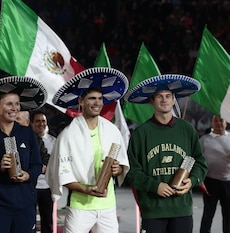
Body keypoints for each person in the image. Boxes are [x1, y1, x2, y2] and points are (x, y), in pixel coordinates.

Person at [46, 67, 130, 233]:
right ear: (81, 101)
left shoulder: (112, 130)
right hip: (80, 207)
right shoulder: (68, 135)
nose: (97, 102)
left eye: (100, 98)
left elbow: (122, 165)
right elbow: (62, 173)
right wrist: (85, 189)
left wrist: (117, 169)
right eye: (92, 98)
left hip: (108, 206)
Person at [124, 74, 208, 233]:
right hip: (153, 210)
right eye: (159, 96)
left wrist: (192, 180)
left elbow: (200, 162)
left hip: (182, 209)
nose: (164, 100)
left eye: (168, 96)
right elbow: (132, 172)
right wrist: (155, 186)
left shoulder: (187, 129)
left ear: (174, 99)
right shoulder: (140, 133)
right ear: (151, 100)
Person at [0, 76, 47, 233]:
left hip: (25, 206)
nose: (15, 108)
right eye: (9, 104)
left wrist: (27, 175)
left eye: (17, 104)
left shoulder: (28, 134)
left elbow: (37, 165)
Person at [199, 115, 230, 233]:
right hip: (210, 182)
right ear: (211, 123)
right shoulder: (204, 139)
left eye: (221, 120)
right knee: (208, 213)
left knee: (228, 215)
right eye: (215, 121)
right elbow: (197, 159)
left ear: (226, 122)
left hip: (228, 182)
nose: (219, 123)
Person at [30, 111, 56, 233]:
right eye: (37, 121)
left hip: (47, 186)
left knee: (47, 220)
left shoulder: (54, 141)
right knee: (30, 220)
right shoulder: (28, 140)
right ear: (31, 123)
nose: (41, 124)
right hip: (31, 186)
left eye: (43, 121)